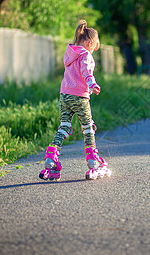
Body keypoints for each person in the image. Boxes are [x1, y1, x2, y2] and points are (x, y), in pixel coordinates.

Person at [39, 20, 111, 181]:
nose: (93, 50)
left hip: (64, 95)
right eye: (94, 47)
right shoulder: (85, 54)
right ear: (90, 43)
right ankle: (93, 162)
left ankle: (51, 158)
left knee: (64, 127)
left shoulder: (69, 52)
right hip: (80, 96)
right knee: (88, 128)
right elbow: (86, 71)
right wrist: (92, 84)